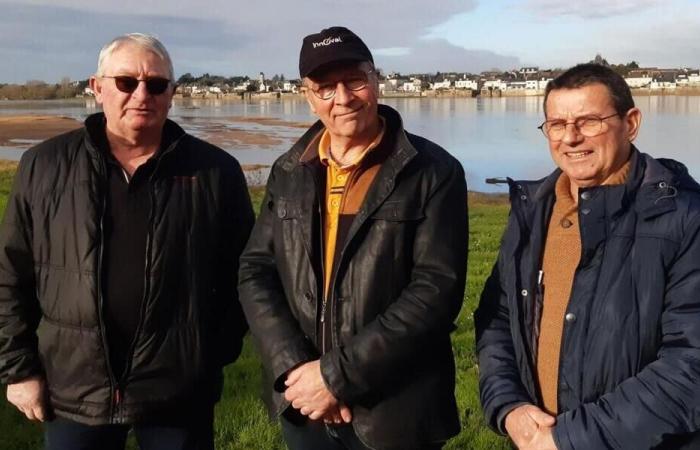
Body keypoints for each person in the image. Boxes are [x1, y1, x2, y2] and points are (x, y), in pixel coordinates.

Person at [0, 33, 254, 450]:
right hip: (74, 386)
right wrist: (18, 370)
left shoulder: (215, 172)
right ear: (97, 87)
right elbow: (11, 275)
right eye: (125, 82)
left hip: (178, 390)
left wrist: (209, 353)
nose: (141, 94)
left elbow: (244, 274)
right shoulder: (43, 166)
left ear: (171, 93)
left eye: (156, 84)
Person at [238, 26, 468, 450]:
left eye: (355, 81)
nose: (342, 98)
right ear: (308, 95)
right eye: (325, 88)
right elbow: (256, 270)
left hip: (395, 410)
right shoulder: (289, 171)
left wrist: (335, 377)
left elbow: (436, 291)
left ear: (376, 79)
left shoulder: (433, 171)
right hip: (305, 405)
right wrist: (295, 370)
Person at [475, 63, 700, 449]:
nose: (571, 138)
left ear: (631, 123)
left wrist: (570, 438)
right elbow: (498, 316)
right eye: (557, 125)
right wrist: (508, 407)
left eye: (589, 121)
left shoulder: (684, 219)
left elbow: (690, 366)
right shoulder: (534, 211)